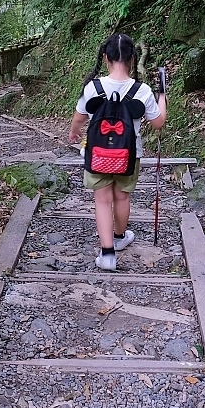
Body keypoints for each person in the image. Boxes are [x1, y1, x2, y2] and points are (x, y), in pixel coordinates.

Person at [68, 34, 167, 271]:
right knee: (122, 197)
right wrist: (162, 97)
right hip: (129, 154)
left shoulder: (93, 87)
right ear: (132, 59)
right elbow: (158, 123)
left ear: (105, 58)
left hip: (97, 153)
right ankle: (120, 237)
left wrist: (74, 133)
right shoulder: (141, 90)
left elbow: (79, 117)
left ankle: (108, 254)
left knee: (102, 201)